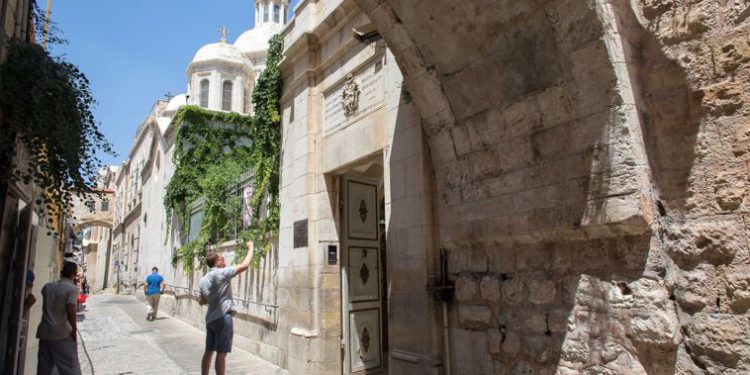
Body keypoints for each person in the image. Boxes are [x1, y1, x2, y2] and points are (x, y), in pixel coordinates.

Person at [198, 241, 254, 375]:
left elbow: (201, 300)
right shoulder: (221, 273)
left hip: (210, 319)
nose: (224, 261)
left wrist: (214, 296)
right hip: (223, 317)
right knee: (221, 353)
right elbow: (245, 265)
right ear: (217, 262)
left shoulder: (203, 279)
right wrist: (251, 247)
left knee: (209, 350)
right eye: (222, 259)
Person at [36, 261, 82, 375]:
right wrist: (74, 329)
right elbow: (70, 308)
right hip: (61, 332)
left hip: (44, 332)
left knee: (44, 367)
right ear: (74, 274)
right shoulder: (71, 289)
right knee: (70, 367)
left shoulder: (47, 287)